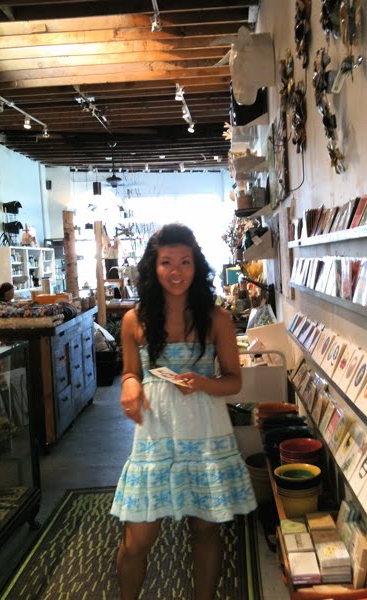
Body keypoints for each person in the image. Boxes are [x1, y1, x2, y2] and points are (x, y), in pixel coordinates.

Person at [111, 224, 257, 600]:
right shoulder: (134, 320)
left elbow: (233, 381)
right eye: (166, 262)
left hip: (205, 432)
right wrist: (130, 385)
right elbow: (131, 372)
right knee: (136, 540)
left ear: (196, 266)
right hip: (155, 433)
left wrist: (204, 383)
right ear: (153, 267)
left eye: (185, 262)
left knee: (205, 531)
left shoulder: (217, 318)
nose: (176, 271)